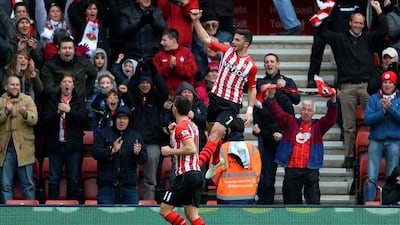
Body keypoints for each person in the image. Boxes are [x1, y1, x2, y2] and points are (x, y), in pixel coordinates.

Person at [318, 0, 388, 168]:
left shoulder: (369, 38)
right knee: (349, 126)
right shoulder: (340, 38)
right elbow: (322, 32)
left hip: (366, 87)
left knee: (373, 122)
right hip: (347, 87)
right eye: (355, 22)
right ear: (350, 23)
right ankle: (349, 158)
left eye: (361, 23)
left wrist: (378, 10)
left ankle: (374, 155)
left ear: (364, 25)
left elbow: (384, 30)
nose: (358, 25)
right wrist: (325, 13)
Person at [190, 9, 258, 168]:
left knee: (215, 134)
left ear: (246, 44)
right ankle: (216, 160)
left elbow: (253, 88)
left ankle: (196, 166)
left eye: (237, 40)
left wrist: (249, 110)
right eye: (233, 39)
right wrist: (195, 21)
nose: (233, 42)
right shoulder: (226, 51)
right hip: (214, 99)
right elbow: (207, 39)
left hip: (231, 105)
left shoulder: (251, 66)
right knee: (212, 136)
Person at [263, 83, 338, 204]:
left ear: (313, 113)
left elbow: (331, 118)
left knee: (313, 202)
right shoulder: (291, 122)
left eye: (309, 110)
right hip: (292, 169)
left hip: (310, 169)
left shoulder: (318, 126)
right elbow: (278, 113)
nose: (306, 112)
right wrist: (271, 98)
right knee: (291, 203)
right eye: (304, 109)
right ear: (300, 110)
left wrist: (333, 99)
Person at [40, 73, 87, 200]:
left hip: (73, 146)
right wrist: (57, 113)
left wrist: (70, 111)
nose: (67, 84)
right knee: (54, 178)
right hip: (55, 146)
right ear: (60, 85)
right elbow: (44, 122)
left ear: (73, 85)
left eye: (69, 82)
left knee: (72, 178)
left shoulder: (79, 101)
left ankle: (71, 208)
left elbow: (85, 121)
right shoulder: (52, 101)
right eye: (64, 81)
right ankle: (53, 206)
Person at [159, 95, 205, 225]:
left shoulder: (182, 127)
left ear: (174, 109)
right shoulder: (193, 126)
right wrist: (172, 135)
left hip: (186, 174)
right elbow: (184, 144)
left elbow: (191, 148)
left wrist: (169, 151)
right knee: (192, 214)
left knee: (165, 210)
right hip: (196, 173)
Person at [92, 106, 148, 204]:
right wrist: (111, 150)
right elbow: (95, 153)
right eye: (119, 118)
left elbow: (144, 159)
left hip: (129, 187)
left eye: (125, 118)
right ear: (115, 119)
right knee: (106, 218)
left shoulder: (135, 136)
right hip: (107, 187)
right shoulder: (104, 133)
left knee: (132, 218)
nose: (122, 121)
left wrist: (138, 153)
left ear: (129, 121)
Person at [128, 72, 169, 200]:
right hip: (134, 142)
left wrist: (154, 71)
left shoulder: (156, 99)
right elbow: (130, 86)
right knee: (131, 179)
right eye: (142, 83)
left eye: (148, 83)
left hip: (152, 143)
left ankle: (148, 204)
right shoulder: (133, 98)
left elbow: (164, 91)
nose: (145, 85)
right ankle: (132, 203)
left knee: (150, 180)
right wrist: (139, 69)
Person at [253, 81, 294, 205]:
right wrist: (256, 130)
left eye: (267, 91)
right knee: (267, 176)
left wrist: (283, 134)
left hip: (284, 141)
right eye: (263, 92)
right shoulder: (259, 103)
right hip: (267, 142)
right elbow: (256, 123)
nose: (265, 94)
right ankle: (266, 203)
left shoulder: (283, 100)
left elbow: (292, 122)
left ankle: (289, 202)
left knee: (290, 176)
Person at [0, 75, 38, 204]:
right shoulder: (0, 101)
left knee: (28, 185)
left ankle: (31, 214)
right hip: (5, 150)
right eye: (12, 84)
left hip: (24, 150)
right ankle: (8, 216)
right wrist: (6, 111)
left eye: (17, 84)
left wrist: (25, 114)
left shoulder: (27, 100)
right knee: (5, 186)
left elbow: (34, 119)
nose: (15, 87)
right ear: (6, 86)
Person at [364, 71, 400, 202]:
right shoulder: (374, 99)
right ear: (381, 83)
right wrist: (382, 112)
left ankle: (387, 204)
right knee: (371, 177)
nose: (387, 85)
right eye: (385, 82)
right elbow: (367, 119)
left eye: (390, 82)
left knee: (391, 177)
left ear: (394, 84)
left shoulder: (399, 99)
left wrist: (391, 109)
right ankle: (367, 205)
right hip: (376, 140)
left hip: (394, 141)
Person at [210, 117, 261, 205]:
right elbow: (257, 174)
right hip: (248, 195)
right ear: (243, 130)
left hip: (226, 196)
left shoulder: (222, 149)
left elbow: (213, 173)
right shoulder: (253, 149)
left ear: (228, 130)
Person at [118, 0, 166, 64]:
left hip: (153, 57)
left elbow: (163, 28)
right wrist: (139, 24)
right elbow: (122, 31)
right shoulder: (126, 12)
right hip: (132, 58)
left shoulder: (157, 12)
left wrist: (153, 21)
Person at [153, 28, 197, 96]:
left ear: (173, 41)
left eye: (164, 40)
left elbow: (192, 71)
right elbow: (155, 73)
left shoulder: (186, 53)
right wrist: (169, 67)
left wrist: (177, 66)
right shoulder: (159, 55)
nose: (161, 43)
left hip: (184, 94)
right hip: (165, 94)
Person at [191, 11, 232, 80]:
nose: (211, 27)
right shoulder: (196, 38)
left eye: (214, 24)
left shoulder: (227, 37)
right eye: (207, 25)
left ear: (218, 24)